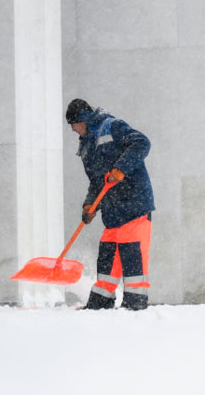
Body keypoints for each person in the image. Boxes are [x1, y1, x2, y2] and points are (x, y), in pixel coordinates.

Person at [66, 98, 155, 310]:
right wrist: (90, 205)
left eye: (73, 123)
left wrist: (121, 168)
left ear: (83, 119)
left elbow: (142, 143)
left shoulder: (111, 126)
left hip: (134, 204)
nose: (72, 129)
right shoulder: (86, 145)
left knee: (132, 252)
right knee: (108, 253)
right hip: (112, 209)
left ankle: (135, 302)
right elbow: (96, 182)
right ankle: (102, 299)